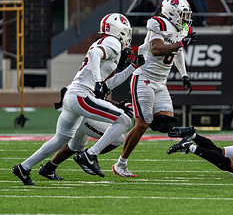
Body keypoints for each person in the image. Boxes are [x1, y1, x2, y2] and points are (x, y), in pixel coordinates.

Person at [12, 13, 142, 185]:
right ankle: (90, 155)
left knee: (60, 140)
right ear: (120, 31)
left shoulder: (107, 42)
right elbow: (95, 54)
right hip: (81, 95)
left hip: (73, 96)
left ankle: (24, 167)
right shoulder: (112, 42)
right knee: (124, 119)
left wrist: (133, 67)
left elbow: (109, 82)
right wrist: (96, 81)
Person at [110, 0, 197, 178]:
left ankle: (130, 107)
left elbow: (177, 52)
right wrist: (180, 43)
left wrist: (184, 74)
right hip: (144, 78)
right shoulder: (157, 22)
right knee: (142, 124)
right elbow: (157, 49)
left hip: (160, 82)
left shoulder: (182, 28)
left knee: (165, 123)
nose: (185, 19)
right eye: (182, 15)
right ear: (171, 12)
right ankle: (121, 164)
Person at [37, 101, 134, 181]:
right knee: (118, 138)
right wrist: (117, 106)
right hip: (82, 113)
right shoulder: (95, 79)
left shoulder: (99, 79)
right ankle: (88, 155)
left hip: (76, 111)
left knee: (75, 146)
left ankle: (48, 168)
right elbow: (94, 98)